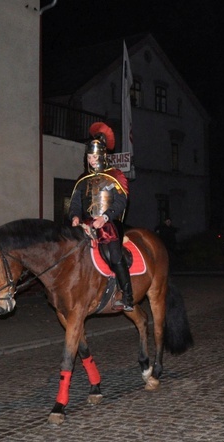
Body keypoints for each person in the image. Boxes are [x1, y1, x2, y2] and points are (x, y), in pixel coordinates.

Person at [69, 122, 133, 312]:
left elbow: (121, 202)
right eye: (90, 156)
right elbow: (75, 203)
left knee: (113, 254)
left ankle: (128, 296)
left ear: (103, 156)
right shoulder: (83, 179)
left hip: (108, 224)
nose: (92, 160)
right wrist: (74, 216)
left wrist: (105, 217)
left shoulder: (115, 175)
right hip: (85, 224)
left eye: (96, 156)